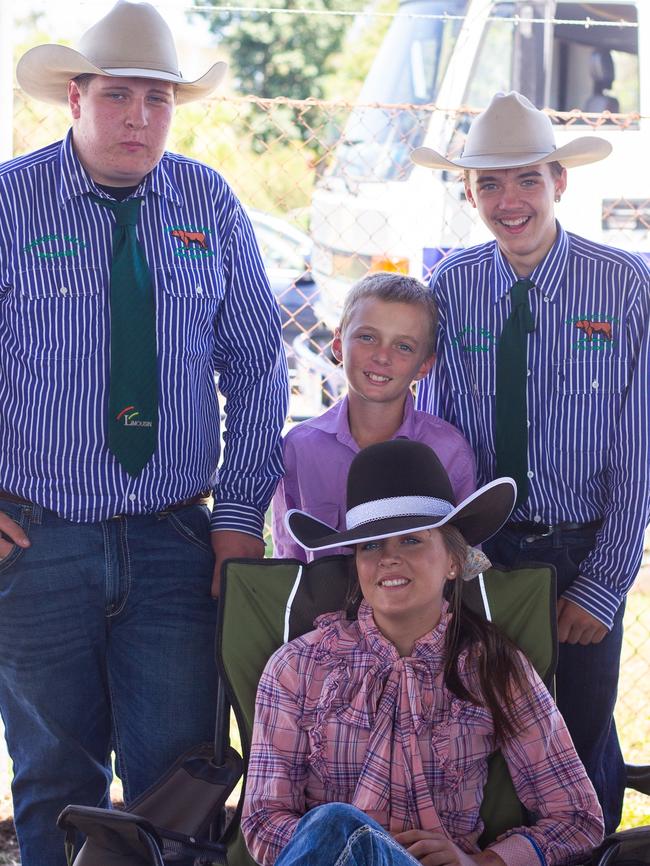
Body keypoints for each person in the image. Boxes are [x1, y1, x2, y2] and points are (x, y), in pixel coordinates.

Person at [1, 3, 288, 864]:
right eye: (118, 95)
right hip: (37, 539)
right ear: (75, 98)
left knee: (179, 775)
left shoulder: (207, 201)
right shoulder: (11, 204)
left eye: (158, 99)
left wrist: (239, 513)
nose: (139, 116)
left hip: (176, 537)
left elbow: (259, 365)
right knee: (54, 774)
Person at [411, 90, 650, 833]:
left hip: (581, 549)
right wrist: (454, 552)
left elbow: (638, 445)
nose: (508, 200)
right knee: (483, 732)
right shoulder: (453, 286)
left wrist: (605, 584)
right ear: (469, 192)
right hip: (484, 550)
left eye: (526, 180)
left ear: (560, 182)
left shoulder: (626, 285)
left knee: (575, 738)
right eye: (488, 183)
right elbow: (443, 432)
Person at [243, 439, 604, 866]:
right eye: (371, 545)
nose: (388, 559)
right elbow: (263, 820)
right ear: (356, 566)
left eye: (411, 541)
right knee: (337, 824)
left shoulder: (492, 666)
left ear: (454, 561)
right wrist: (354, 845)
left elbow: (579, 816)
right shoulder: (298, 668)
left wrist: (482, 862)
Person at [272, 272, 476, 560]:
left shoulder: (448, 451)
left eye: (403, 346)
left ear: (424, 366)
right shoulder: (299, 449)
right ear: (339, 344)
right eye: (367, 337)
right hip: (322, 604)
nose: (382, 356)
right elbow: (289, 558)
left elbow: (465, 561)